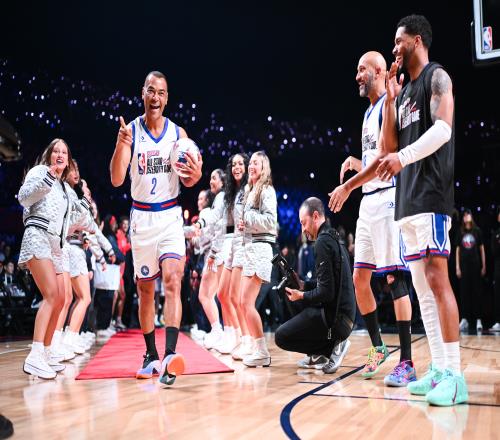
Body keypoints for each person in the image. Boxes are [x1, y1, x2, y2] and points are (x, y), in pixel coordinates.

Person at [376, 14, 468, 405]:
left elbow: (443, 129)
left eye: (399, 41)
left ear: (416, 40)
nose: (394, 48)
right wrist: (390, 100)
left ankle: (456, 376)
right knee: (421, 289)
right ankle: (439, 369)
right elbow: (387, 148)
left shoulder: (436, 77)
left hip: (431, 193)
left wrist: (403, 158)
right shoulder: (405, 92)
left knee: (437, 280)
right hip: (407, 200)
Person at [328, 51, 416, 386]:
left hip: (388, 198)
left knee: (394, 279)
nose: (357, 76)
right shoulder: (368, 112)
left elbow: (384, 157)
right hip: (369, 203)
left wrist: (348, 186)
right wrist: (356, 162)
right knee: (359, 279)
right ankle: (378, 346)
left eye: (362, 69)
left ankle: (406, 361)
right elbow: (371, 157)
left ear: (379, 71)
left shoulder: (389, 105)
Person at [110, 70, 202, 385]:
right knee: (145, 290)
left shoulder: (178, 134)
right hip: (141, 218)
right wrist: (120, 145)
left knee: (174, 279)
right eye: (151, 91)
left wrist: (196, 174)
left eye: (161, 93)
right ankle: (150, 354)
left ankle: (169, 357)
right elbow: (116, 179)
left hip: (169, 215)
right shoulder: (131, 131)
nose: (156, 97)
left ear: (167, 98)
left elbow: (190, 180)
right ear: (143, 93)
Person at [275, 197, 355, 374]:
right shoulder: (334, 237)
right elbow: (329, 284)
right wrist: (304, 285)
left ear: (316, 216)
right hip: (346, 318)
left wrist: (301, 295)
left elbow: (326, 292)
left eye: (304, 223)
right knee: (296, 298)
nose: (303, 229)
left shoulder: (322, 243)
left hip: (336, 321)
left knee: (281, 337)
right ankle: (319, 353)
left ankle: (330, 348)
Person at [18, 138, 76, 379]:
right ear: (49, 155)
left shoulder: (64, 189)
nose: (60, 155)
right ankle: (35, 355)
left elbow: (71, 221)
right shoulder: (40, 172)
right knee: (51, 295)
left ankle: (49, 351)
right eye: (56, 151)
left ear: (68, 160)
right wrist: (48, 178)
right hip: (37, 235)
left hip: (56, 246)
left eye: (64, 152)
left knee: (61, 299)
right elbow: (24, 197)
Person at [238, 151, 277, 367]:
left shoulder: (267, 190)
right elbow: (252, 221)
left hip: (261, 249)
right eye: (250, 162)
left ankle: (262, 351)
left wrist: (248, 218)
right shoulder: (250, 190)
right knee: (243, 303)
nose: (251, 165)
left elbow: (270, 221)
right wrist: (245, 225)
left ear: (264, 168)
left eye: (256, 163)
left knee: (246, 302)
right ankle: (256, 347)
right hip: (250, 249)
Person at [456, 209, 486, 332]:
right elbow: (457, 250)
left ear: (471, 216)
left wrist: (484, 266)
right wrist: (457, 267)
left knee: (477, 292)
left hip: (475, 266)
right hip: (464, 267)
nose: (466, 216)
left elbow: (482, 249)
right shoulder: (460, 232)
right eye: (464, 215)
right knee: (464, 293)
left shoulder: (477, 231)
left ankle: (478, 319)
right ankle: (464, 319)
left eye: (468, 214)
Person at [490, 209, 500, 332]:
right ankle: (498, 321)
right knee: (498, 295)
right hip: (498, 268)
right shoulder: (495, 233)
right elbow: (494, 251)